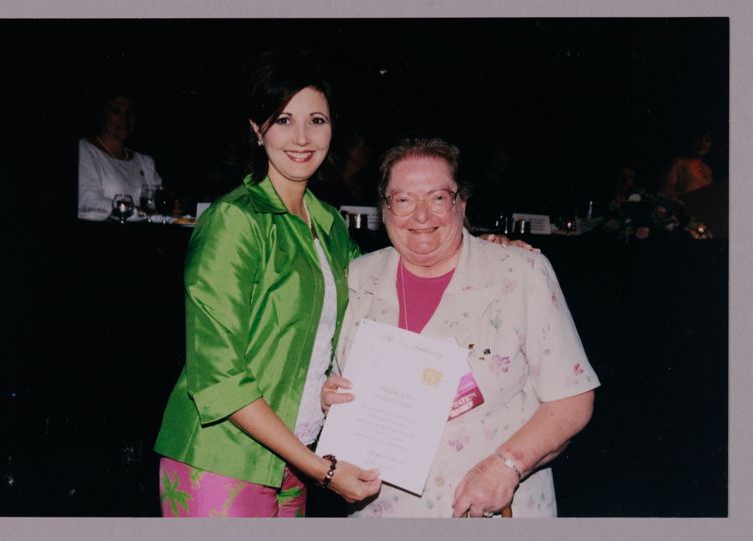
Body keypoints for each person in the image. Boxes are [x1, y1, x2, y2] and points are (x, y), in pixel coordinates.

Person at [153, 51, 382, 518]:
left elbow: (376, 291)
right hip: (221, 459)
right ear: (257, 130)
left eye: (316, 119)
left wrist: (479, 248)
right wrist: (323, 471)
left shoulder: (330, 227)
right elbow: (218, 377)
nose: (302, 138)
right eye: (283, 120)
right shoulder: (236, 221)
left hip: (293, 460)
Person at [323, 137, 600, 518]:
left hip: (493, 512)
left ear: (461, 203)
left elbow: (572, 398)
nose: (421, 216)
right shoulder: (355, 279)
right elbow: (335, 383)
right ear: (384, 210)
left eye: (437, 197)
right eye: (403, 199)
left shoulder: (519, 274)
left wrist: (507, 465)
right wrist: (330, 398)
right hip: (381, 512)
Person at [77, 90, 164, 220]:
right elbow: (88, 201)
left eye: (129, 113)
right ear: (102, 115)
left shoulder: (145, 163)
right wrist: (137, 212)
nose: (124, 119)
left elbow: (160, 205)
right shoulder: (85, 151)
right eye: (115, 111)